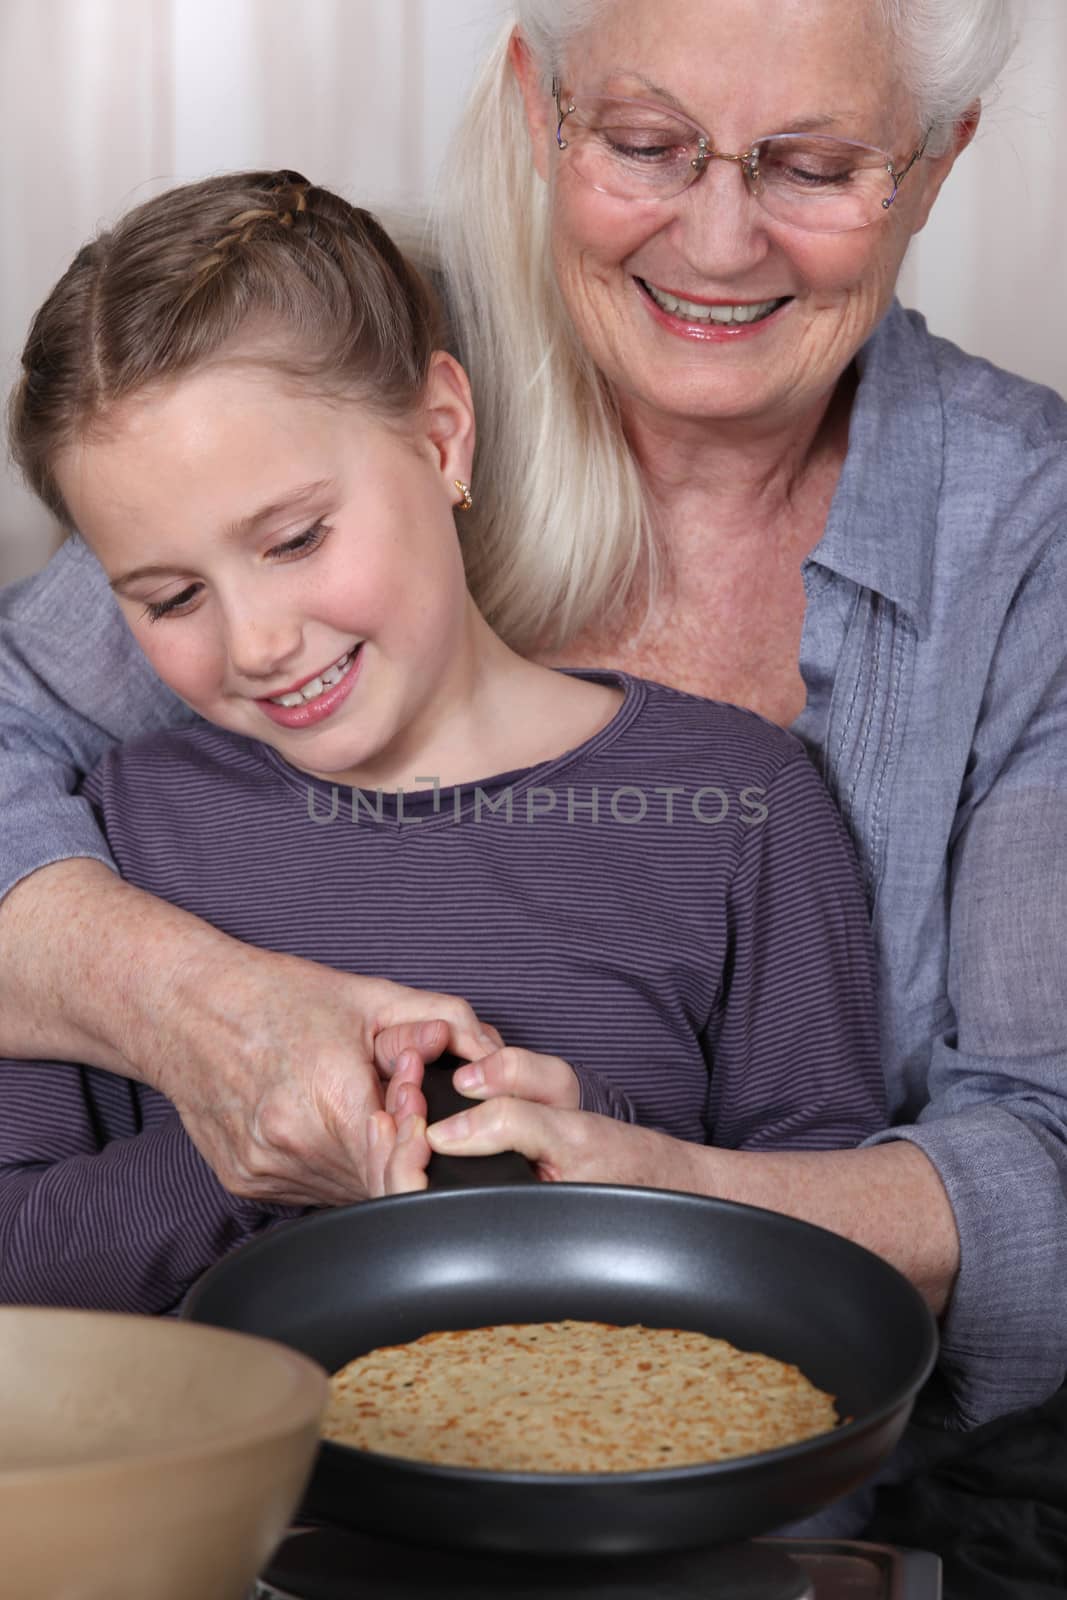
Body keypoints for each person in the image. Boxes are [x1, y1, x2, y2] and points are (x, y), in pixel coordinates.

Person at [0, 0, 1062, 1477]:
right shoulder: (129, 788)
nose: (713, 240)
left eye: (809, 166)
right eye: (643, 145)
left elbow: (859, 1252)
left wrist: (603, 1170)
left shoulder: (760, 792)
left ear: (932, 169)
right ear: (538, 109)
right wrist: (219, 1051)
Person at [0, 170, 883, 1313]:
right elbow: (19, 1266)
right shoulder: (113, 833)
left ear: (440, 436)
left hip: (605, 1483)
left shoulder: (739, 806)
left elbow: (833, 1278)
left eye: (296, 538)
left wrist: (567, 1149)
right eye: (170, 599)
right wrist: (251, 1130)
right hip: (232, 1494)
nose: (258, 641)